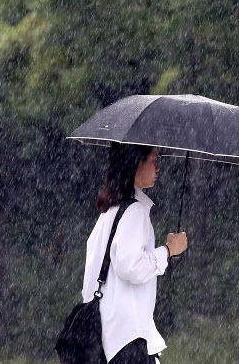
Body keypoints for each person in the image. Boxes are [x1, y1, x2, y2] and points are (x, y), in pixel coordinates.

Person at [81, 142, 188, 363]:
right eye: (154, 160)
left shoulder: (111, 208)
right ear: (136, 163)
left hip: (104, 335)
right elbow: (131, 267)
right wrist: (168, 250)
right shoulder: (134, 210)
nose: (158, 168)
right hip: (126, 339)